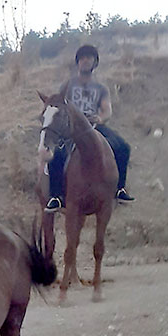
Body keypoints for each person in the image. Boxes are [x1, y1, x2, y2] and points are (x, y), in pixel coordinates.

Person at [45, 44, 134, 212]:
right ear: (77, 62)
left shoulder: (101, 88)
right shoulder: (68, 85)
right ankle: (56, 196)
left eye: (89, 58)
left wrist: (100, 118)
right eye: (82, 58)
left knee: (123, 147)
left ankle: (119, 189)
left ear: (95, 62)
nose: (85, 61)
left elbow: (107, 109)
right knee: (57, 155)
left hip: (94, 127)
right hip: (72, 129)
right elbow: (59, 106)